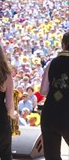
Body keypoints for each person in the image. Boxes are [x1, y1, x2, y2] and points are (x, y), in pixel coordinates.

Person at [40, 32, 69, 160]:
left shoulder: (52, 63)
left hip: (50, 113)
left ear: (63, 44)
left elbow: (43, 91)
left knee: (52, 157)